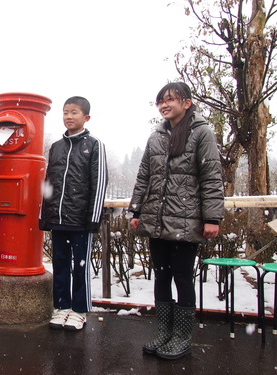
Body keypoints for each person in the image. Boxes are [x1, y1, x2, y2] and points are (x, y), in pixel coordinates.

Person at [129, 82, 224, 360]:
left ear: (187, 102)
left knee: (182, 277)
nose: (164, 105)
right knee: (161, 276)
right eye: (161, 101)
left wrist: (212, 217)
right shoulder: (156, 136)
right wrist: (136, 211)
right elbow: (144, 176)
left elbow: (211, 177)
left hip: (186, 221)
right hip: (156, 220)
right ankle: (164, 332)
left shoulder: (202, 132)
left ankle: (182, 336)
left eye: (171, 99)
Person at [40, 96, 108, 331]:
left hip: (81, 219)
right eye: (65, 112)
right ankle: (62, 308)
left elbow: (99, 183)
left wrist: (93, 218)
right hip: (58, 218)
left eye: (74, 112)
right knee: (59, 264)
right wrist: (44, 215)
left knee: (80, 266)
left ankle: (79, 310)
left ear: (86, 117)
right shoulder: (56, 147)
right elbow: (48, 184)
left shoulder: (94, 145)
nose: (69, 116)